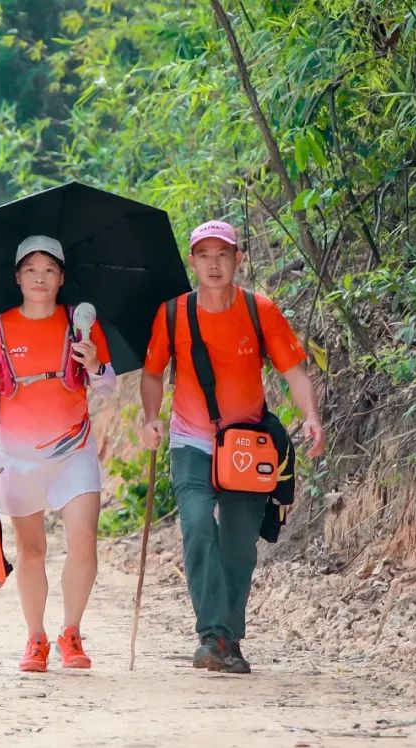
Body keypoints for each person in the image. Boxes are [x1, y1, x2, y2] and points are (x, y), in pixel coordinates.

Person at [139, 220, 326, 674]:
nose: (214, 263)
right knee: (198, 526)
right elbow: (151, 372)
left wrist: (312, 415)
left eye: (222, 254)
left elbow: (294, 370)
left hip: (246, 446)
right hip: (190, 442)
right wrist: (150, 417)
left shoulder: (259, 310)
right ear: (193, 262)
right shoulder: (173, 314)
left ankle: (230, 637)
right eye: (204, 255)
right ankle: (212, 635)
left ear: (238, 258)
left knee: (240, 543)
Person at [0, 235, 117, 673]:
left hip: (74, 451)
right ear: (17, 276)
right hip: (15, 457)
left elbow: (108, 387)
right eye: (31, 269)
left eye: (49, 270)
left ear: (62, 278)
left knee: (83, 542)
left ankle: (71, 632)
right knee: (31, 550)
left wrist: (94, 364)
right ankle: (36, 638)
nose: (40, 277)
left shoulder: (82, 325)